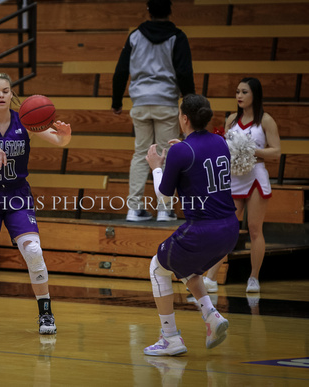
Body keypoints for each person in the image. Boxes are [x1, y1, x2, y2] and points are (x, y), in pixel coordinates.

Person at [0, 73, 72, 336]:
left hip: (17, 197)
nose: (1, 95)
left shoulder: (24, 120)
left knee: (33, 251)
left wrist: (65, 136)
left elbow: (58, 140)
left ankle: (45, 313)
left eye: (6, 91)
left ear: (12, 94)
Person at [143, 94, 239, 356]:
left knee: (157, 268)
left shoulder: (180, 151)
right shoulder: (220, 142)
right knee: (182, 265)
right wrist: (179, 153)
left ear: (184, 118)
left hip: (203, 229)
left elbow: (164, 198)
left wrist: (157, 166)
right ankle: (211, 316)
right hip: (230, 229)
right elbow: (200, 167)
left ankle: (170, 338)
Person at [112, 0, 195, 222]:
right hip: (166, 101)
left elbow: (121, 70)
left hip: (139, 102)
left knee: (141, 154)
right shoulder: (177, 37)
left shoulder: (135, 36)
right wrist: (190, 101)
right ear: (170, 10)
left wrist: (116, 101)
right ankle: (164, 209)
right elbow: (185, 72)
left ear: (148, 11)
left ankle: (134, 208)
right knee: (166, 154)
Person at [204, 78, 281, 293]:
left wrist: (249, 150)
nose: (239, 96)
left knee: (255, 229)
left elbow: (276, 152)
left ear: (254, 95)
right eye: (237, 91)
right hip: (234, 177)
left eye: (244, 92)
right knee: (227, 228)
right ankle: (211, 277)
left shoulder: (265, 120)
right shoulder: (230, 120)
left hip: (256, 175)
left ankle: (254, 277)